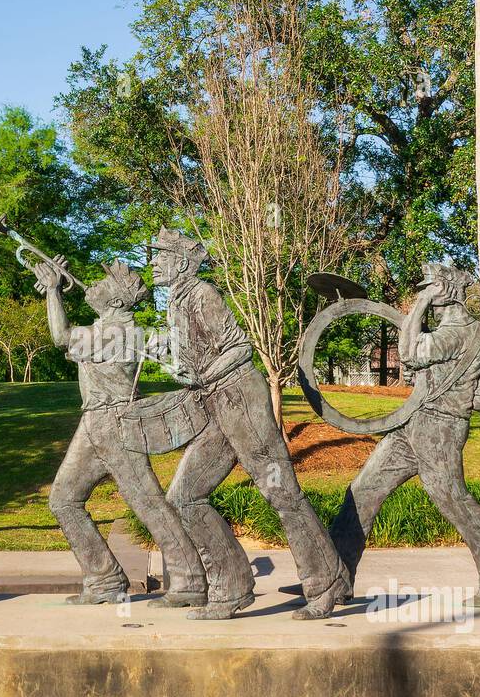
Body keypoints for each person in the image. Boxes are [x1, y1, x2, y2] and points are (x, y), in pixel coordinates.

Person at [151, 228, 349, 620]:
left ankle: (326, 583)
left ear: (181, 260)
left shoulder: (203, 294)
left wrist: (202, 373)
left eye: (159, 255)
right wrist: (171, 356)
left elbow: (238, 348)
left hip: (240, 400)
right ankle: (233, 586)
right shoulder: (177, 301)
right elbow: (194, 360)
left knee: (282, 495)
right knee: (184, 496)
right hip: (217, 405)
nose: (153, 263)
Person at [329, 263, 480, 605]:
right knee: (363, 490)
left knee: (454, 501)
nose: (425, 295)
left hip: (440, 428)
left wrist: (417, 308)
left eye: (430, 288)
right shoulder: (471, 336)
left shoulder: (458, 334)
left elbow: (410, 352)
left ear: (447, 290)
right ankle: (333, 580)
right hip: (412, 425)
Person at [35, 257, 210, 608]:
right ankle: (105, 579)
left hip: (115, 424)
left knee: (147, 503)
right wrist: (53, 293)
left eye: (103, 284)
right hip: (95, 424)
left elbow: (60, 337)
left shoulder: (115, 331)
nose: (93, 285)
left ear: (115, 301)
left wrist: (54, 291)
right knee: (64, 500)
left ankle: (189, 577)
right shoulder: (107, 328)